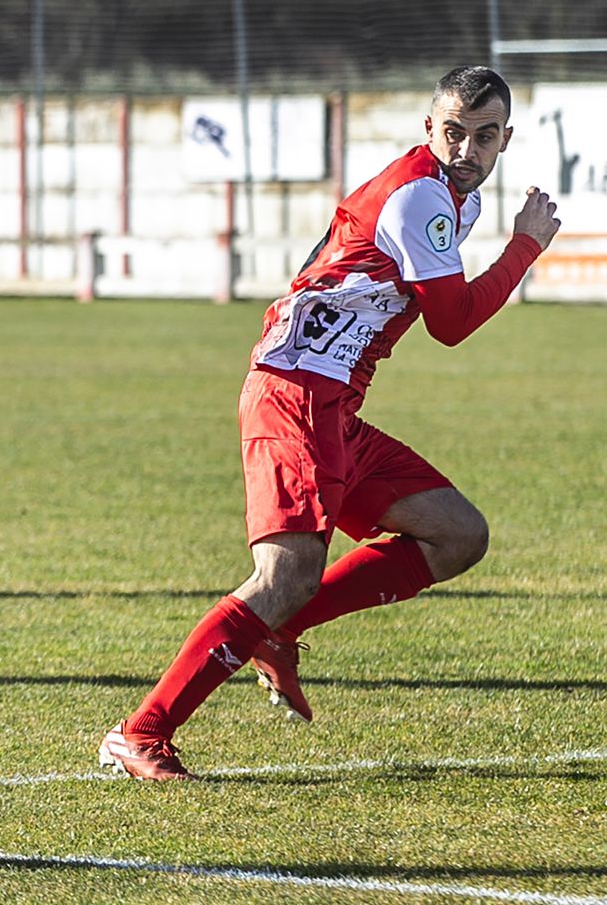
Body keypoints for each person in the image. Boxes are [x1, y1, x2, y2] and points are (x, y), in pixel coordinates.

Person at [99, 66, 560, 780]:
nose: (466, 149)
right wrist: (527, 246)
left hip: (336, 404)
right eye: (454, 132)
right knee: (284, 574)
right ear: (429, 130)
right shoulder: (419, 200)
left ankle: (281, 630)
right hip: (292, 394)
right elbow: (452, 324)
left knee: (458, 534)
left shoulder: (451, 201)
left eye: (485, 135)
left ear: (505, 140)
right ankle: (141, 731)